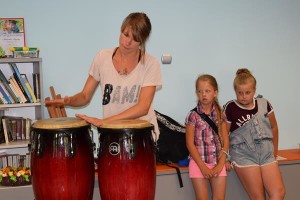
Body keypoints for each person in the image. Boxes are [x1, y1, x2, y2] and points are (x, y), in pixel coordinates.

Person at [45, 12, 162, 140]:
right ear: (121, 30)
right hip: (111, 133)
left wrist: (105, 121)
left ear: (142, 41)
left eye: (135, 39)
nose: (127, 42)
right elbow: (85, 96)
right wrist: (69, 101)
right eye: (126, 34)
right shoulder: (102, 57)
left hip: (142, 134)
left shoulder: (151, 63)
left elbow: (143, 107)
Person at [223, 68, 285, 200]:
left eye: (247, 92)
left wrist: (274, 153)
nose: (243, 96)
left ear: (254, 90)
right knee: (258, 197)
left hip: (267, 153)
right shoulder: (230, 107)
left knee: (279, 193)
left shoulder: (265, 104)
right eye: (240, 93)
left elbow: (274, 128)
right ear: (235, 91)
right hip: (243, 154)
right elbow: (223, 134)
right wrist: (225, 156)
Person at [185, 74, 229, 200]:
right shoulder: (192, 115)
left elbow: (226, 140)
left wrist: (221, 163)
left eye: (207, 91)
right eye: (200, 91)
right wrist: (203, 167)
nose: (204, 94)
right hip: (199, 163)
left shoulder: (221, 114)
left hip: (218, 163)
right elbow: (189, 143)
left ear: (215, 92)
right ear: (197, 93)